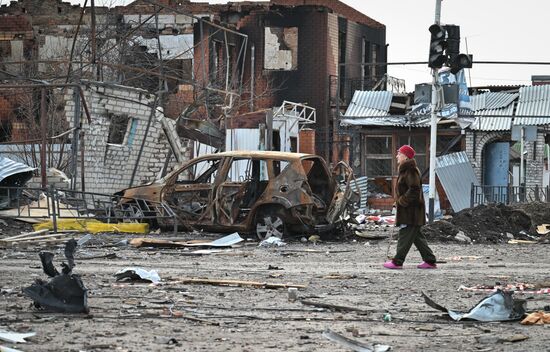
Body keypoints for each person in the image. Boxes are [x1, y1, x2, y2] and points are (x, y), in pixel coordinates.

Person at [383, 145, 437, 269]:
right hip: (411, 211)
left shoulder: (411, 170)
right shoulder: (405, 170)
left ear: (405, 156)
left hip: (411, 212)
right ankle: (430, 260)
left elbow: (414, 190)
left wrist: (401, 201)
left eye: (399, 153)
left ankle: (397, 262)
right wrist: (398, 202)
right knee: (417, 237)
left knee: (404, 236)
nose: (397, 156)